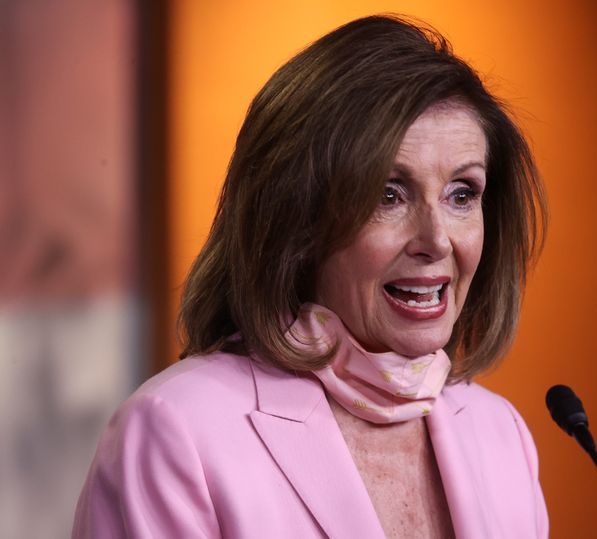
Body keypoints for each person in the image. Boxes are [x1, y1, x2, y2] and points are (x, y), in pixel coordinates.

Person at [73, 14, 548, 538]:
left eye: (462, 194)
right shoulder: (175, 431)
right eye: (388, 194)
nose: (437, 241)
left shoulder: (500, 433)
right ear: (298, 219)